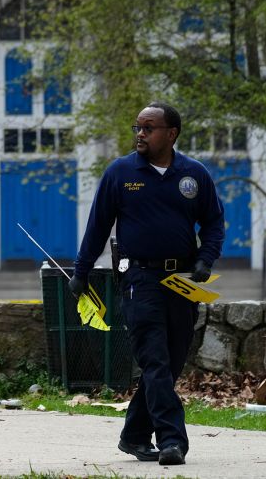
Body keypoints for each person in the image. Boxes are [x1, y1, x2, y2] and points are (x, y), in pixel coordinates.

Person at [70, 102, 224, 467]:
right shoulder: (120, 173)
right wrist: (81, 271)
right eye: (137, 127)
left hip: (183, 280)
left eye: (148, 128)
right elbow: (97, 226)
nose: (140, 133)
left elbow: (215, 224)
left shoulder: (194, 175)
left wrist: (206, 260)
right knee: (154, 359)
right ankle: (172, 441)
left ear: (171, 134)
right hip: (139, 278)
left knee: (169, 366)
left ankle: (135, 435)